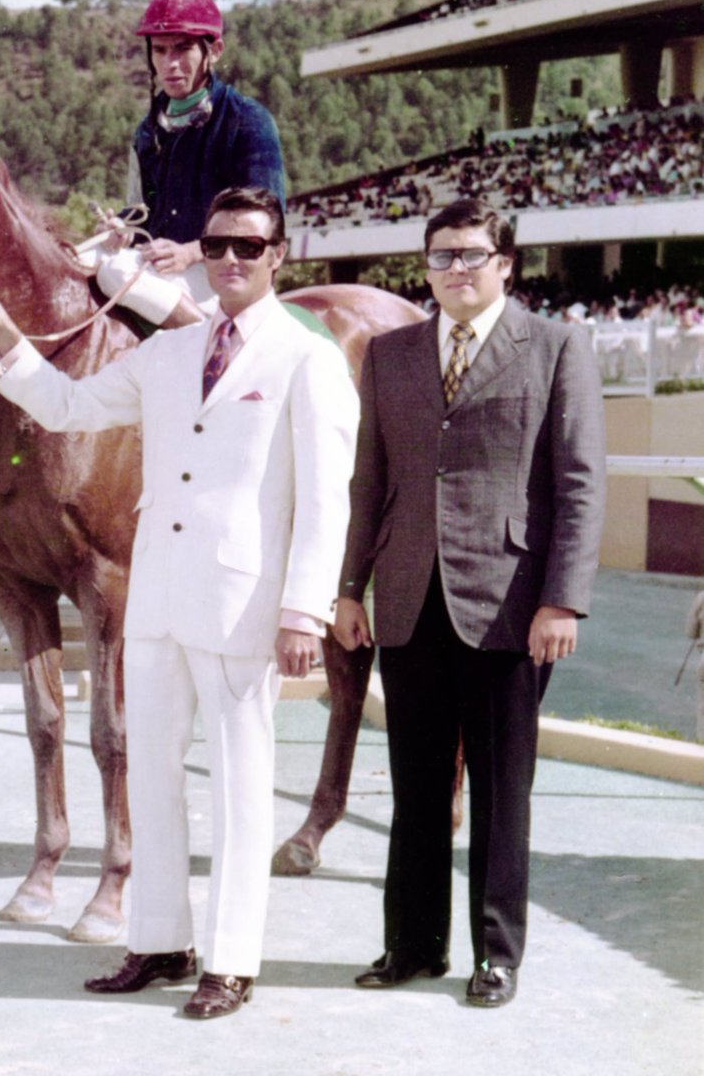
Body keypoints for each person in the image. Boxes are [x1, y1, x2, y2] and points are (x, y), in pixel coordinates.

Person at [0, 186, 358, 1019]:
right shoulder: (171, 353)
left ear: (279, 255)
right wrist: (9, 344)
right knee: (150, 778)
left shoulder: (304, 356)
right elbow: (72, 407)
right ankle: (157, 941)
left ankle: (232, 959)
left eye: (250, 246)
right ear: (204, 254)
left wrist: (303, 611)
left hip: (244, 605)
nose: (232, 260)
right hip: (157, 599)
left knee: (241, 786)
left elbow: (327, 500)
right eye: (219, 245)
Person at [334, 198, 606, 1009]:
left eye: (471, 255)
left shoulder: (557, 348)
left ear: (505, 264)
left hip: (510, 605)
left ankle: (496, 954)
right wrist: (350, 590)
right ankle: (411, 945)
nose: (455, 268)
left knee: (498, 786)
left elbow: (579, 485)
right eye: (440, 255)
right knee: (415, 784)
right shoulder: (390, 355)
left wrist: (562, 601)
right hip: (409, 598)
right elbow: (369, 484)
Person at [91, 0, 286, 330]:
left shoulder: (249, 121)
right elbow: (140, 210)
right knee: (88, 257)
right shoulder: (147, 132)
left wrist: (192, 251)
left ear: (214, 51)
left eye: (182, 49)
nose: (170, 63)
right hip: (166, 272)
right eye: (160, 51)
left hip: (226, 271)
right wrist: (122, 228)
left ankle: (216, 347)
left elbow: (269, 225)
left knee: (115, 271)